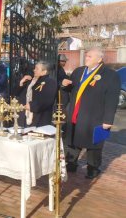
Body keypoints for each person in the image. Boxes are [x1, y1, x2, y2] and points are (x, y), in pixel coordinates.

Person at [62, 47, 120, 179]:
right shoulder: (79, 71)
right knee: (73, 139)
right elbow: (72, 89)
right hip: (77, 112)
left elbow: (112, 99)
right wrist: (65, 84)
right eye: (86, 56)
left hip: (96, 116)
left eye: (89, 57)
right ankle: (71, 163)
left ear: (99, 59)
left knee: (94, 144)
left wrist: (108, 120)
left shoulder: (110, 75)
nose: (86, 58)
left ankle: (92, 168)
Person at [15, 61, 57, 127]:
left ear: (44, 72)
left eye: (37, 69)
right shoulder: (30, 80)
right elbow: (16, 93)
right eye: (35, 68)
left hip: (39, 118)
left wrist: (32, 106)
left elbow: (47, 100)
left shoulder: (50, 82)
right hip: (24, 117)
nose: (34, 70)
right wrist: (21, 83)